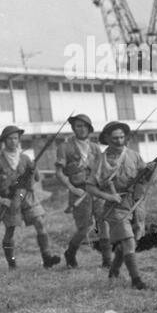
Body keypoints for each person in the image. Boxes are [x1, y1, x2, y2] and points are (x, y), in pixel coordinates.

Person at [83, 121, 151, 290]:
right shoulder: (101, 161)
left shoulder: (134, 155)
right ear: (107, 139)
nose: (119, 141)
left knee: (130, 240)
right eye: (115, 139)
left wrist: (149, 171)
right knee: (128, 241)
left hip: (135, 204)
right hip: (115, 207)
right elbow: (90, 186)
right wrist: (108, 196)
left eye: (122, 137)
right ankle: (137, 281)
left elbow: (145, 179)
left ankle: (114, 270)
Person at [0, 125, 61, 270]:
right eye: (10, 139)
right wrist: (0, 200)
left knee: (40, 223)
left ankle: (47, 258)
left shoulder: (25, 158)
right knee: (10, 231)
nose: (13, 142)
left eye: (16, 139)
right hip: (11, 199)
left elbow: (37, 178)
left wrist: (33, 168)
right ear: (4, 141)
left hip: (27, 196)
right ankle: (12, 263)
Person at [53, 113, 102, 268]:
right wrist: (73, 189)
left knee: (103, 222)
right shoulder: (64, 147)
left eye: (85, 126)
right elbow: (59, 172)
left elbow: (101, 170)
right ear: (73, 128)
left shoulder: (95, 148)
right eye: (78, 126)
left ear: (89, 129)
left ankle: (107, 260)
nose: (81, 129)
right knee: (85, 227)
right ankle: (70, 253)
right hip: (79, 191)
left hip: (95, 190)